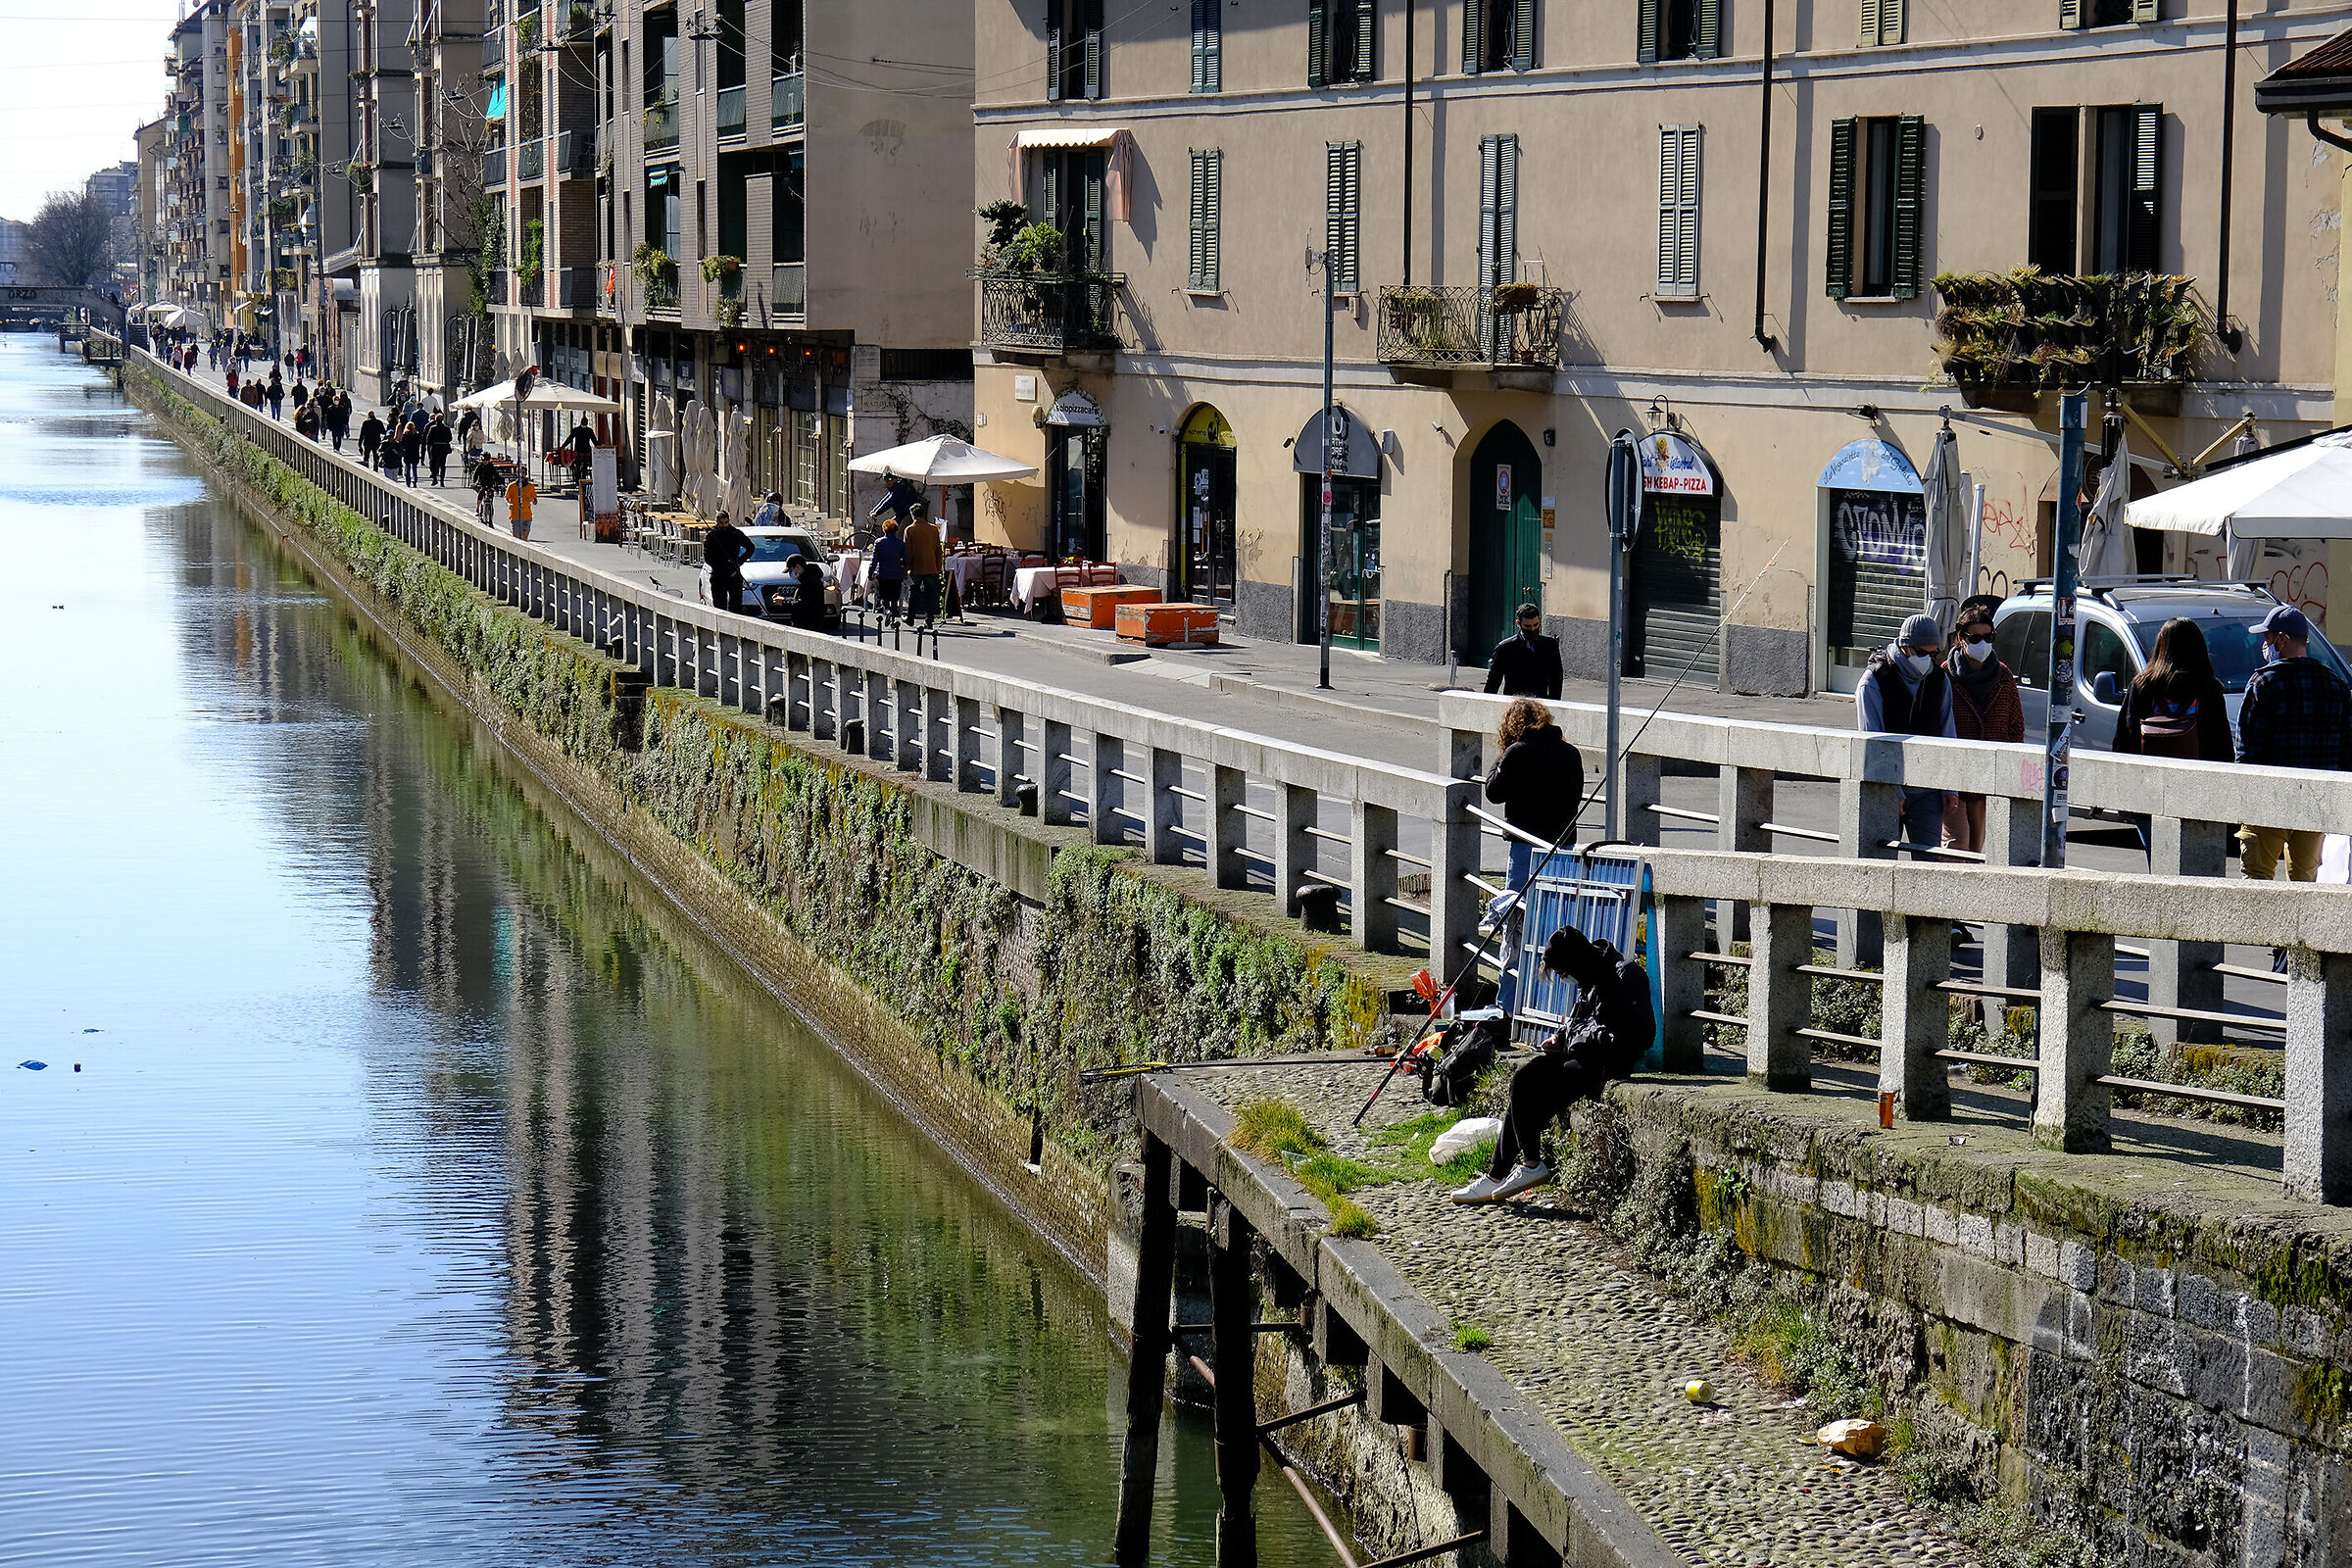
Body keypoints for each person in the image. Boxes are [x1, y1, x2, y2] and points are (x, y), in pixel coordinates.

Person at [1451, 926, 1655, 1203]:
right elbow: (1579, 1021)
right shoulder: (1591, 974)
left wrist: (1576, 1037)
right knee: (1524, 1087)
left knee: (1526, 1081)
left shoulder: (1625, 976)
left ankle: (1532, 1165)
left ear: (1576, 962)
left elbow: (1637, 1035)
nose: (1563, 979)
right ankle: (1497, 1175)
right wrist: (1561, 1037)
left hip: (1608, 1063)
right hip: (1583, 1054)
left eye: (1562, 973)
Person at [2234, 605, 2352, 884]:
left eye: (2268, 638)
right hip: (2316, 802)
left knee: (2257, 878)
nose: (2265, 645)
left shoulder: (2263, 683)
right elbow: (2347, 751)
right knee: (2304, 882)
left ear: (2282, 640)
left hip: (2268, 800)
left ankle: (2258, 929)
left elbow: (2246, 751)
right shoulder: (2335, 685)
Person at [1484, 697, 1585, 1012]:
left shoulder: (1517, 753)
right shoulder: (1570, 753)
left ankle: (1510, 1005)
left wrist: (1504, 755)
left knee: (1517, 926)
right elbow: (1576, 796)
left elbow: (1493, 791)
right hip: (1562, 848)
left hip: (1526, 848)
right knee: (1556, 925)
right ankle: (1555, 1006)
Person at [1857, 612, 1955, 851]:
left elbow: (1947, 732)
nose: (1928, 660)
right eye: (1921, 653)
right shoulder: (1874, 680)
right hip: (1885, 787)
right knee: (1879, 858)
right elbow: (1873, 739)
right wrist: (1893, 790)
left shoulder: (1939, 680)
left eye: (1933, 654)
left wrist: (1950, 786)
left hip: (1927, 788)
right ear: (1904, 647)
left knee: (1928, 864)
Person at [1941, 598, 2024, 858]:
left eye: (1989, 638)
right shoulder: (1944, 675)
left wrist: (2010, 766)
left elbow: (2015, 725)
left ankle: (1968, 895)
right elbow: (1934, 724)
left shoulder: (2003, 676)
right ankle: (1950, 895)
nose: (1983, 644)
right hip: (1953, 775)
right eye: (1975, 638)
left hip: (1988, 774)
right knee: (1957, 844)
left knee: (1977, 847)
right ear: (1960, 639)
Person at [1485, 604, 1563, 699]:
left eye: (1536, 625)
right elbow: (1493, 681)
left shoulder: (1550, 645)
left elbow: (1556, 678)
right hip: (1515, 702)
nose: (1533, 629)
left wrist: (1554, 704)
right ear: (1518, 624)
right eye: (1528, 626)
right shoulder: (1505, 648)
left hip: (1541, 702)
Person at [705, 510, 756, 615]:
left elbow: (750, 547)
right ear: (717, 522)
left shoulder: (735, 533)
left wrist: (738, 562)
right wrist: (722, 567)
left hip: (734, 573)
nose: (724, 525)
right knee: (719, 607)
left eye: (726, 523)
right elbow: (707, 557)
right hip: (718, 575)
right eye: (722, 523)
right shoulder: (711, 536)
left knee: (736, 607)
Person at [904, 501, 944, 625]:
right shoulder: (933, 529)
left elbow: (908, 551)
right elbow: (938, 549)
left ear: (912, 515)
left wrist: (906, 568)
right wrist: (938, 565)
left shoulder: (910, 530)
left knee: (913, 593)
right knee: (930, 594)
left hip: (916, 567)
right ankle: (929, 619)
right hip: (931, 566)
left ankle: (910, 618)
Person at [871, 516, 907, 619]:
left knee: (884, 596)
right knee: (895, 597)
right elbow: (906, 560)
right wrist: (903, 571)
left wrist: (870, 573)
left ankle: (887, 611)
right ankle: (893, 615)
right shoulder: (901, 544)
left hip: (884, 574)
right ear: (896, 530)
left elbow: (874, 561)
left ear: (884, 529)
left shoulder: (879, 543)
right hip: (897, 575)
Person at [786, 554, 830, 632]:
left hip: (808, 626)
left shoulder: (809, 582)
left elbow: (803, 605)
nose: (790, 573)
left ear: (798, 567)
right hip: (811, 624)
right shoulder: (809, 579)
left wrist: (783, 602)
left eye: (790, 570)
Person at [504, 468, 537, 540]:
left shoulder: (530, 486)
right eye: (519, 473)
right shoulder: (511, 486)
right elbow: (506, 498)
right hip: (515, 515)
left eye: (523, 473)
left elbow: (535, 501)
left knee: (524, 540)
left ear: (526, 474)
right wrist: (508, 504)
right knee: (517, 540)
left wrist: (533, 499)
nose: (521, 475)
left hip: (527, 515)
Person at [472, 452, 503, 525]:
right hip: (482, 484)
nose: (485, 462)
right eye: (484, 460)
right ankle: (477, 508)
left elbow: (496, 475)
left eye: (487, 460)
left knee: (491, 499)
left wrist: (500, 483)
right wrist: (474, 482)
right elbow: (475, 475)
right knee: (481, 493)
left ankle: (491, 517)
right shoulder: (480, 466)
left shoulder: (491, 466)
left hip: (490, 484)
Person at [426, 414, 454, 487]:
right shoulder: (446, 428)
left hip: (435, 447)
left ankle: (434, 478)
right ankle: (442, 481)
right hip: (444, 447)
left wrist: (432, 443)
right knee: (442, 464)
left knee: (434, 463)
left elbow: (429, 439)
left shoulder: (433, 428)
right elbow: (450, 438)